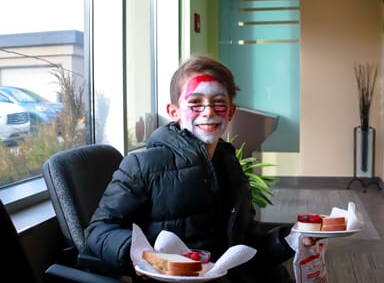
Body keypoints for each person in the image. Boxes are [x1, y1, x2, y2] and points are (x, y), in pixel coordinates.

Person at [86, 54, 306, 282]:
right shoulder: (142, 166)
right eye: (195, 103)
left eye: (218, 102)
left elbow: (244, 244)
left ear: (230, 111)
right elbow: (99, 230)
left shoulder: (229, 165)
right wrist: (139, 254)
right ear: (174, 112)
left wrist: (290, 238)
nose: (208, 111)